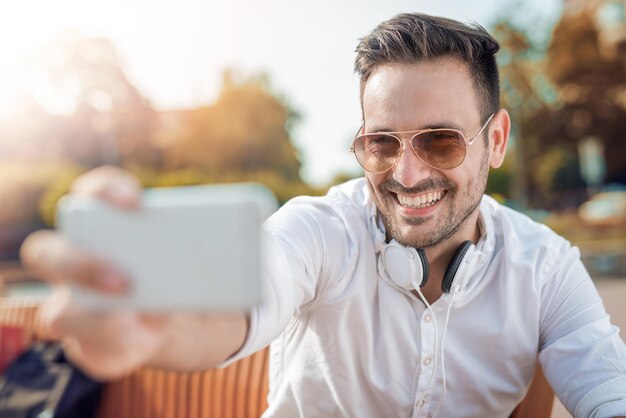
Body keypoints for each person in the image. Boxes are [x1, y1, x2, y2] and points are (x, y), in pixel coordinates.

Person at [20, 12, 626, 418]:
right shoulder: (318, 230)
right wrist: (152, 331)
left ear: (495, 141)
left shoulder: (544, 265)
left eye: (440, 142)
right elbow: (244, 300)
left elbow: (607, 387)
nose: (407, 175)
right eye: (383, 144)